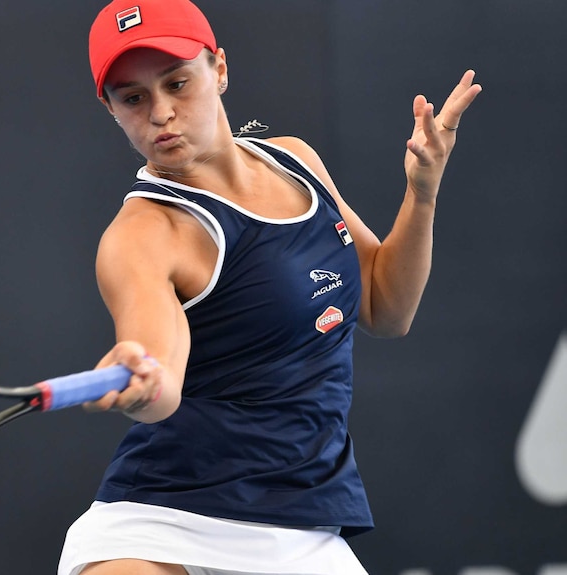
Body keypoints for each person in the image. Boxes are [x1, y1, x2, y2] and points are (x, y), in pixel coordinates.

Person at [58, 0, 482, 573]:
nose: (160, 112)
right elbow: (161, 383)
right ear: (110, 108)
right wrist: (145, 378)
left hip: (302, 526)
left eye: (177, 83)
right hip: (160, 522)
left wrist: (423, 192)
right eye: (133, 98)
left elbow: (386, 306)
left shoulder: (296, 160)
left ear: (220, 70)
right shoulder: (142, 235)